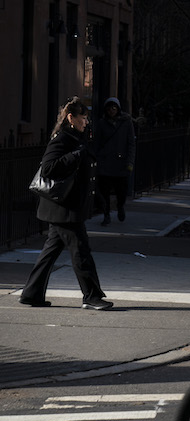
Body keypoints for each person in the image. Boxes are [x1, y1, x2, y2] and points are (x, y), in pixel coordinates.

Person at [19, 97, 113, 311]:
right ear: (71, 118)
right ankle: (92, 296)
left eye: (87, 118)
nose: (86, 122)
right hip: (64, 208)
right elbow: (48, 168)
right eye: (83, 118)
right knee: (81, 251)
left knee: (51, 251)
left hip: (67, 206)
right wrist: (76, 155)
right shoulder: (62, 139)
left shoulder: (76, 138)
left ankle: (31, 293)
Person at [93, 97, 136, 225]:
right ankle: (106, 214)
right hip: (104, 162)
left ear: (118, 109)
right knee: (104, 191)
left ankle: (120, 206)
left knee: (121, 191)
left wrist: (130, 162)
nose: (111, 111)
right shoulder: (102, 123)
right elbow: (97, 143)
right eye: (109, 108)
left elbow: (131, 143)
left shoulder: (126, 122)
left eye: (114, 108)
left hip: (121, 163)